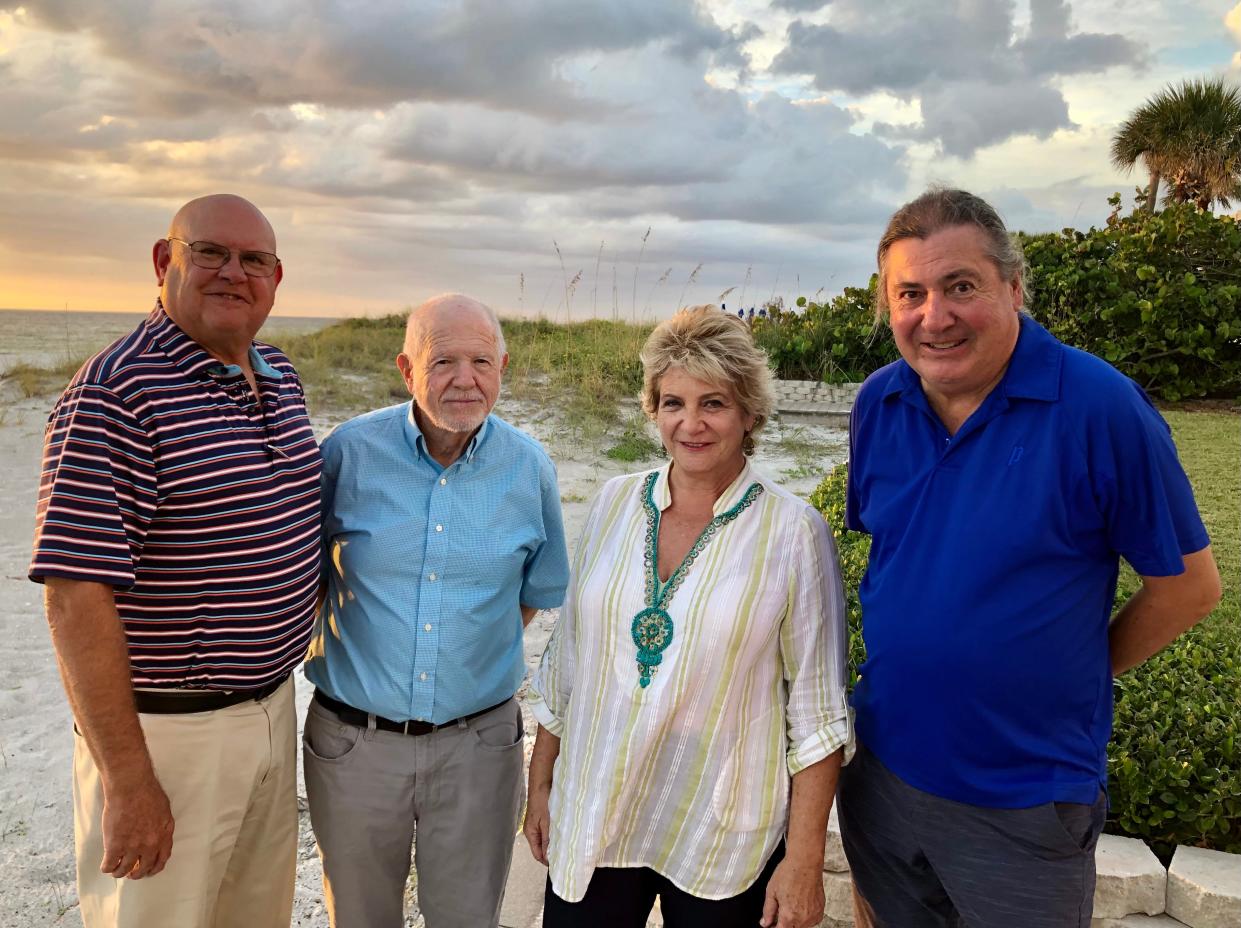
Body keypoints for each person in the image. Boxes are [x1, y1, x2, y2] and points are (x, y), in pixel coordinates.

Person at [839, 188, 1222, 927]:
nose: (934, 316)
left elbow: (1189, 588)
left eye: (960, 287)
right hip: (883, 778)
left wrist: (1073, 666)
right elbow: (898, 558)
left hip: (1022, 799)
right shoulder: (877, 404)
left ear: (1013, 287)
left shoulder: (1099, 408)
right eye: (909, 293)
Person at [28, 194, 321, 927]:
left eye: (254, 260)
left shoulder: (279, 378)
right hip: (168, 734)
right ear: (165, 262)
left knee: (253, 916)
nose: (233, 273)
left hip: (271, 713)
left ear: (276, 279)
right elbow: (74, 597)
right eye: (210, 253)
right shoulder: (115, 394)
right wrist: (128, 782)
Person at [525, 306, 852, 928]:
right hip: (597, 806)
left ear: (749, 411)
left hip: (721, 829)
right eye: (673, 402)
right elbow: (567, 660)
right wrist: (541, 786)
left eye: (714, 403)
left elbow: (816, 713)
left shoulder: (792, 532)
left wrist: (805, 859)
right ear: (652, 408)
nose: (691, 423)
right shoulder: (615, 502)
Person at [304, 293, 570, 928]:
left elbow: (534, 593)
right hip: (354, 747)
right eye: (443, 360)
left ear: (502, 366)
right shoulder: (348, 453)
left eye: (481, 360)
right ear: (406, 368)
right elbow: (306, 576)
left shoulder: (529, 468)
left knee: (468, 919)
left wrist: (459, 656)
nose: (465, 379)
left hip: (478, 748)